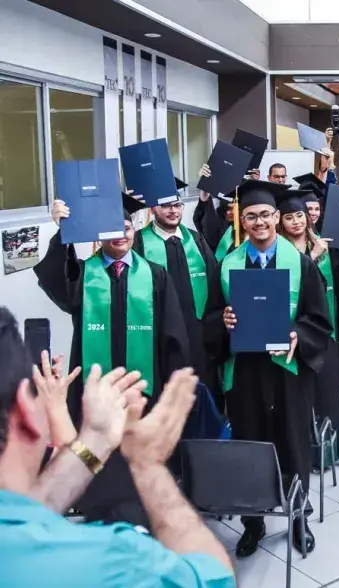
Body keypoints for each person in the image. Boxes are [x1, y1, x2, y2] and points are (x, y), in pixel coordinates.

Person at [0, 307, 235, 586]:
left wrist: (94, 438)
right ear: (25, 410)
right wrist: (148, 466)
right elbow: (215, 578)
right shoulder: (115, 563)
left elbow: (25, 518)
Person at [33, 195, 189, 528]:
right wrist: (62, 232)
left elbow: (173, 336)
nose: (120, 234)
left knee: (139, 461)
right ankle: (98, 515)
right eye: (111, 229)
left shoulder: (156, 276)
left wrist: (172, 394)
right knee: (94, 456)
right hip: (94, 397)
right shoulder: (82, 275)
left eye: (126, 227)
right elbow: (53, 281)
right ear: (98, 236)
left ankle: (143, 522)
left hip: (143, 393)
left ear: (135, 229)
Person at [213, 179, 333, 558]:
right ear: (242, 221)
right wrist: (223, 322)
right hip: (246, 372)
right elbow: (211, 318)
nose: (260, 222)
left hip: (287, 371)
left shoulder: (301, 263)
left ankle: (298, 518)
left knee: (293, 445)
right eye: (251, 216)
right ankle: (253, 522)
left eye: (266, 214)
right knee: (250, 446)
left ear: (277, 217)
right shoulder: (227, 264)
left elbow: (319, 319)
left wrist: (298, 334)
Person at [275, 187, 339, 467]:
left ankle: (329, 453)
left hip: (323, 332)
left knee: (327, 394)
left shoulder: (324, 243)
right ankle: (301, 456)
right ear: (280, 221)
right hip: (293, 333)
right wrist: (312, 257)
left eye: (300, 216)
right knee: (300, 397)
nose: (296, 222)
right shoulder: (279, 251)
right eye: (289, 218)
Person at [132, 183, 223, 410]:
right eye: (166, 206)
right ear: (153, 209)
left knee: (203, 396)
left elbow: (215, 283)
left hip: (199, 334)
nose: (173, 211)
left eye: (177, 205)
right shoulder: (138, 242)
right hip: (159, 334)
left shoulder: (195, 239)